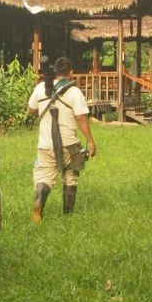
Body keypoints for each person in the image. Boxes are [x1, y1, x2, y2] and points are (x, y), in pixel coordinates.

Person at [27, 56, 96, 222]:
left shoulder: (40, 88)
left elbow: (31, 110)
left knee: (44, 177)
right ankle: (68, 215)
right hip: (69, 144)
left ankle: (38, 203)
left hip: (45, 145)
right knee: (71, 174)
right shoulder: (74, 92)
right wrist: (91, 141)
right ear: (70, 73)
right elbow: (80, 118)